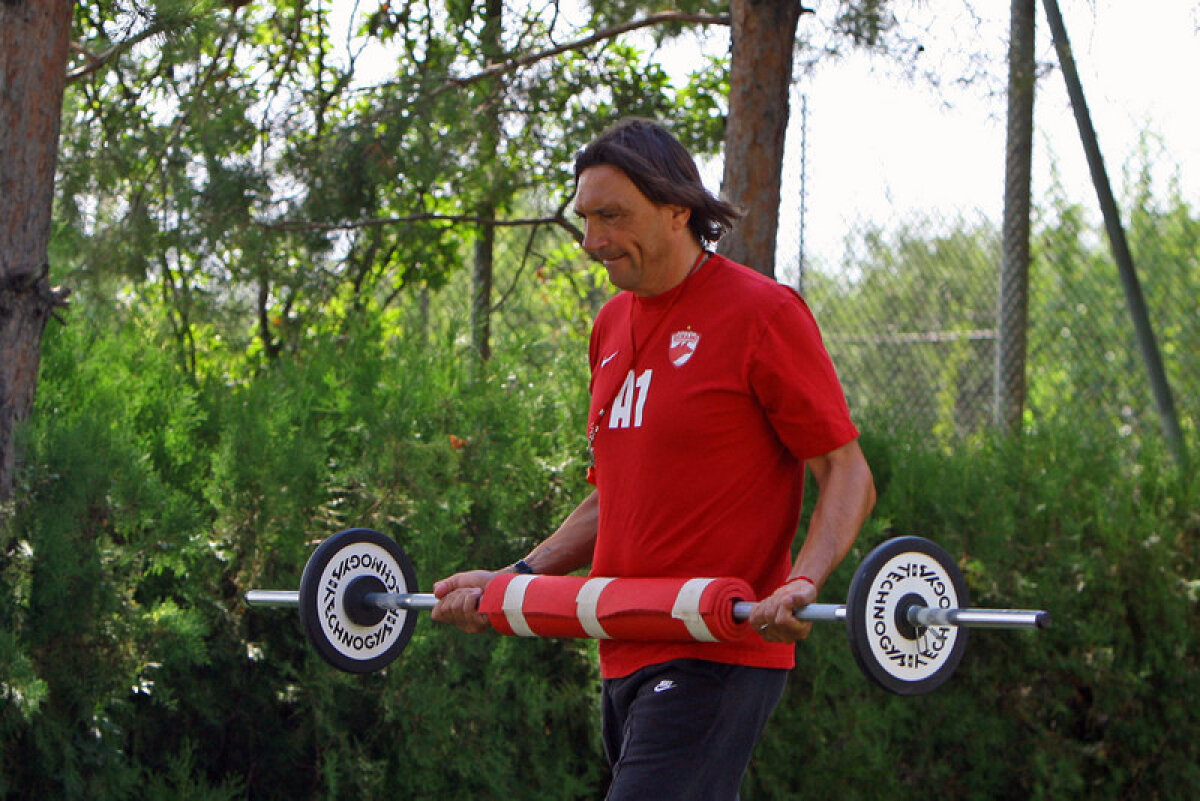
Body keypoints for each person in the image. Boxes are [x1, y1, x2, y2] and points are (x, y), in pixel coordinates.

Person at [432, 118, 875, 800]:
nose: (592, 241)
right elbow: (615, 495)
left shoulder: (762, 313)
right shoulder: (609, 327)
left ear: (678, 209)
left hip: (717, 646)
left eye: (613, 216)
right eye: (585, 218)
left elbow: (845, 472)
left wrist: (804, 581)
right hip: (623, 642)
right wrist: (516, 576)